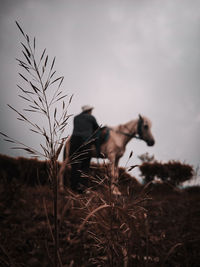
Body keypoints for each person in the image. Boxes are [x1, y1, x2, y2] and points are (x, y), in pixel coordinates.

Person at [69, 105, 100, 193]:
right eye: (91, 110)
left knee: (75, 165)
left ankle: (73, 188)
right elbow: (97, 128)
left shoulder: (76, 118)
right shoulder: (91, 117)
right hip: (85, 142)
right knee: (85, 166)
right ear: (89, 110)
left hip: (74, 142)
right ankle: (82, 189)